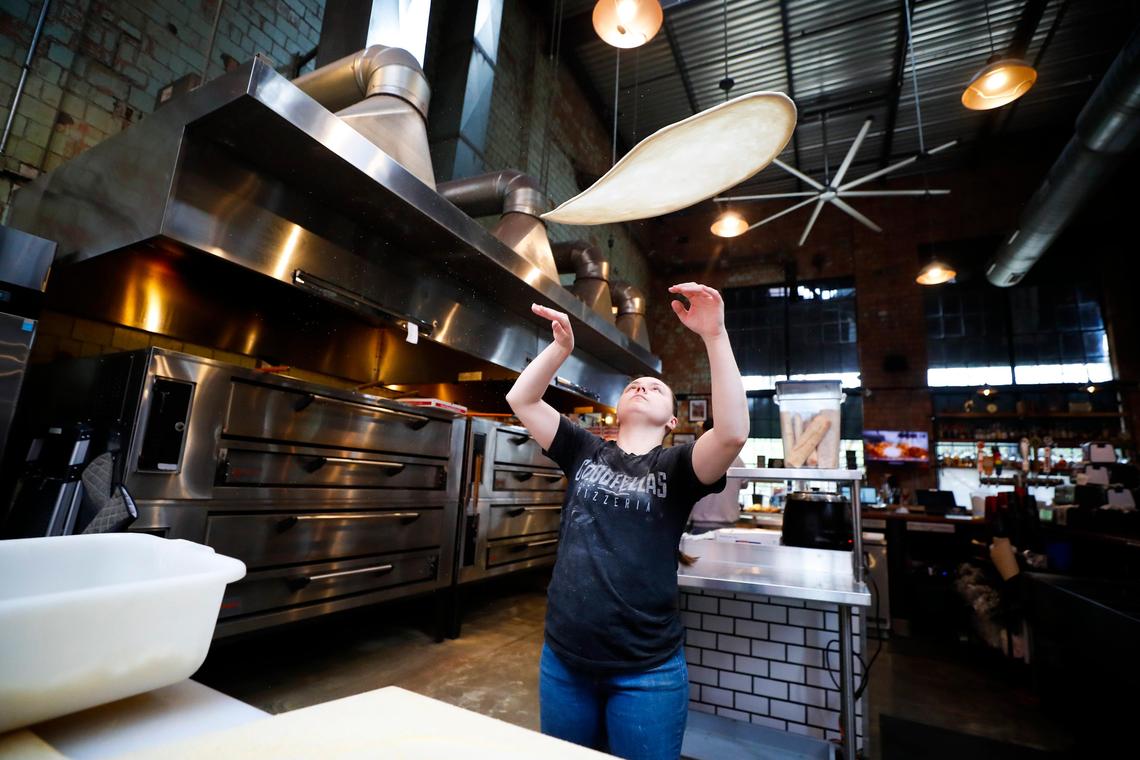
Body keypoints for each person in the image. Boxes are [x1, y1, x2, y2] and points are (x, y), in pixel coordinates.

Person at [506, 282, 748, 760]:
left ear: (673, 422)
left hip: (646, 671)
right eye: (634, 384)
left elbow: (733, 432)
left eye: (655, 387)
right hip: (563, 658)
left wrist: (715, 336)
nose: (641, 385)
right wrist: (560, 350)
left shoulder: (679, 468)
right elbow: (523, 400)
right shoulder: (584, 449)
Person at [688, 417, 748, 535]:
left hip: (701, 523)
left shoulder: (695, 456)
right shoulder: (736, 459)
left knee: (700, 554)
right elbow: (744, 484)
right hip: (728, 523)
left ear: (704, 433)